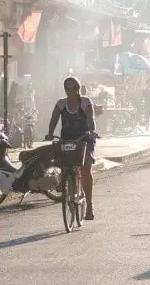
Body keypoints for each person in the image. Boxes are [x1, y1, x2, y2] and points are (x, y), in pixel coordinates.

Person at [45, 76, 99, 220]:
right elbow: (54, 119)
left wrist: (92, 130)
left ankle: (89, 205)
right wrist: (50, 133)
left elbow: (90, 118)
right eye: (68, 88)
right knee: (62, 164)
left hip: (84, 139)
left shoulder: (86, 102)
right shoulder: (61, 104)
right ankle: (66, 184)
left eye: (74, 88)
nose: (71, 91)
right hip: (67, 139)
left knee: (86, 167)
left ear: (78, 88)